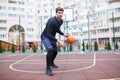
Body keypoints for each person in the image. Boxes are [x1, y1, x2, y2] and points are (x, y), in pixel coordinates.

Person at [41, 7, 68, 76]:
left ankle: (51, 62)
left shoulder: (61, 21)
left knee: (55, 51)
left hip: (52, 37)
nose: (60, 14)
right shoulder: (52, 21)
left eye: (62, 13)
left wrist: (63, 34)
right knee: (50, 49)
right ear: (56, 13)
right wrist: (58, 41)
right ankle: (48, 69)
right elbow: (48, 33)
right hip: (45, 36)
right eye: (59, 13)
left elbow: (56, 29)